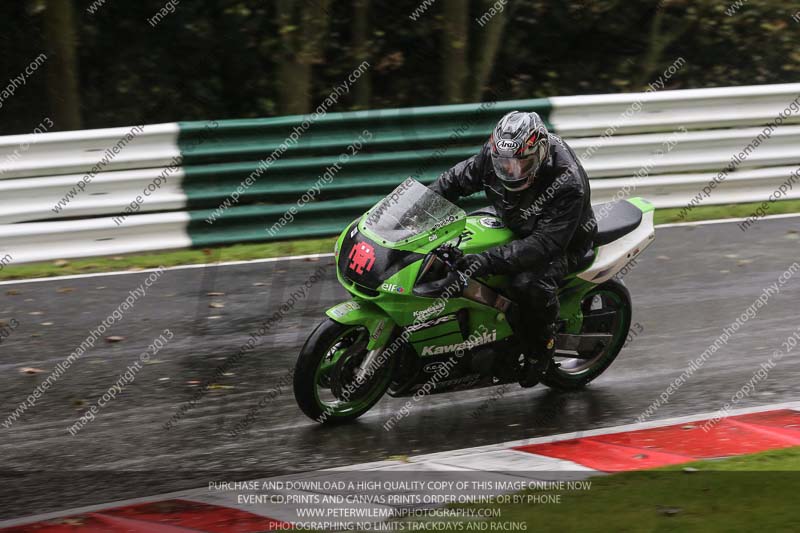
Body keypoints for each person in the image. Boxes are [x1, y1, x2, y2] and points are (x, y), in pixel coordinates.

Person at [429, 111, 596, 386]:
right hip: (514, 219)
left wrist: (485, 261)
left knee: (528, 283)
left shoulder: (567, 182)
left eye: (521, 164)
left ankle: (541, 348)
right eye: (504, 164)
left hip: (565, 241)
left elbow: (544, 245)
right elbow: (455, 180)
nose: (510, 171)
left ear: (540, 154)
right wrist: (420, 209)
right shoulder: (495, 154)